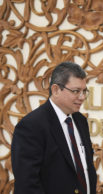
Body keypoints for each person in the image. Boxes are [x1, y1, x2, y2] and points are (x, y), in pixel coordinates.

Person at [11, 61, 97, 194]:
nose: (82, 97)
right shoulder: (31, 126)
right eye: (76, 91)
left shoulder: (81, 121)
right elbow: (27, 184)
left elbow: (86, 169)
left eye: (84, 91)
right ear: (56, 90)